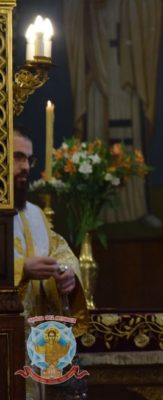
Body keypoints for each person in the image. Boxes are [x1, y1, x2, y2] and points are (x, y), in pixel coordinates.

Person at [13, 126, 88, 398]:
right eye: (17, 157)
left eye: (29, 159)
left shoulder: (34, 214)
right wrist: (21, 269)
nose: (25, 167)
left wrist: (67, 275)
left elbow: (60, 252)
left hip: (33, 350)